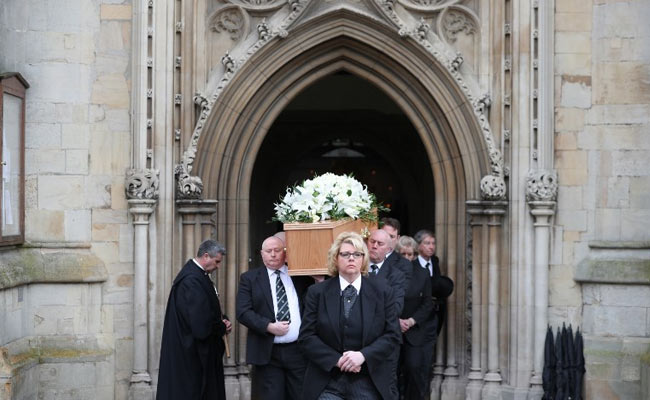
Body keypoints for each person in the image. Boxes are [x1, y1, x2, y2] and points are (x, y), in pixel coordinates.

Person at [299, 232, 401, 400]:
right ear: (335, 258)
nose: (351, 258)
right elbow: (307, 337)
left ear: (363, 259)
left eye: (357, 254)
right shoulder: (317, 292)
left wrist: (363, 356)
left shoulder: (382, 292)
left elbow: (392, 335)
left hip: (368, 380)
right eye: (345, 254)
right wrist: (337, 360)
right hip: (327, 380)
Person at [236, 236, 313, 400]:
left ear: (285, 253)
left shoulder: (299, 276)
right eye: (268, 251)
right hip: (267, 352)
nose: (273, 255)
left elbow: (313, 304)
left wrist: (319, 282)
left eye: (277, 250)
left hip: (298, 351)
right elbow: (243, 312)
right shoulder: (249, 278)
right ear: (261, 254)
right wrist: (268, 326)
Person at [157, 239, 231, 400]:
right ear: (206, 256)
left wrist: (222, 319)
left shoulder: (198, 276)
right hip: (192, 354)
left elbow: (206, 309)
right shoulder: (192, 280)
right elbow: (200, 325)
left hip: (193, 350)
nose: (218, 266)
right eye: (217, 261)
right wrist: (220, 327)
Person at [398, 256, 434, 399]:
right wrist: (396, 321)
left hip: (414, 330)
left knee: (414, 368)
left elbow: (427, 302)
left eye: (410, 253)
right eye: (403, 253)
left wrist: (411, 321)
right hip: (391, 330)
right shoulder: (390, 271)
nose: (407, 257)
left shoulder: (422, 273)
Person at [379, 217, 413, 297]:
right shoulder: (366, 258)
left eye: (391, 236)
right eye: (385, 235)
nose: (388, 240)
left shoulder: (404, 265)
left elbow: (397, 294)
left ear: (397, 238)